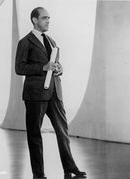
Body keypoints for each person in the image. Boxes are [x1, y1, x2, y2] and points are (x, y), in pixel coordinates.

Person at [15, 7, 87, 179]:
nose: (48, 21)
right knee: (35, 135)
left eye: (49, 18)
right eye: (44, 18)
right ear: (34, 20)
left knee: (63, 132)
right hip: (35, 95)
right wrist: (42, 67)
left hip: (55, 93)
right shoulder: (25, 42)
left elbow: (55, 65)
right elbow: (19, 68)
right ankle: (39, 175)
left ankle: (69, 168)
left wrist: (59, 69)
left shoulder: (53, 42)